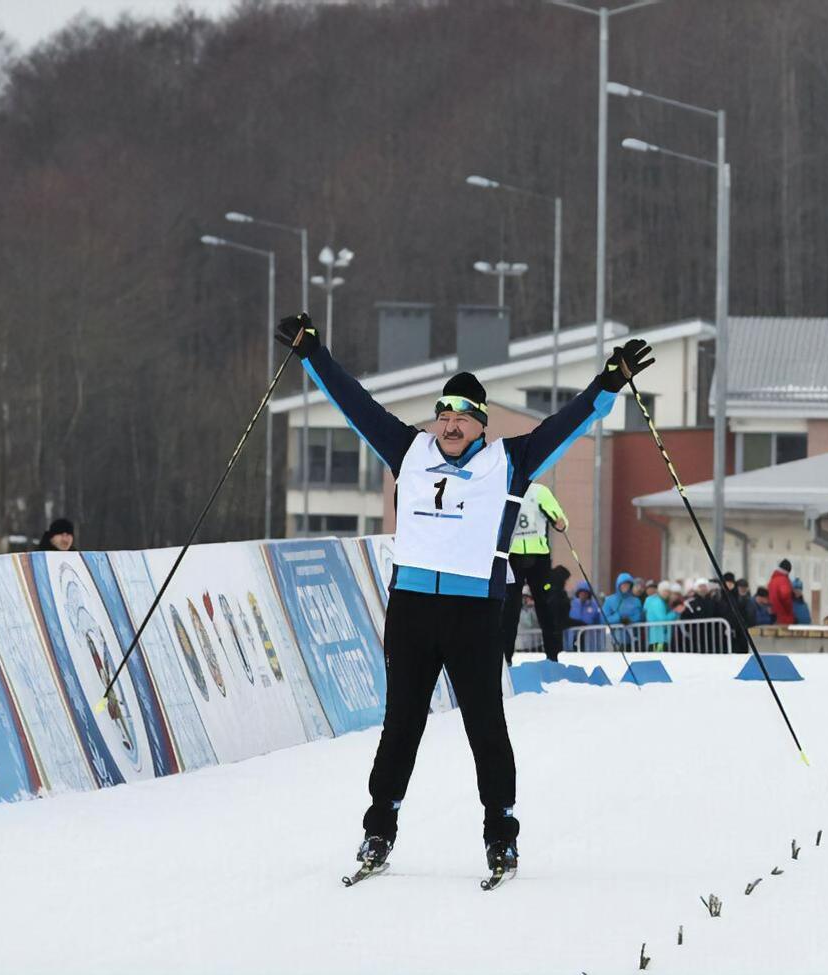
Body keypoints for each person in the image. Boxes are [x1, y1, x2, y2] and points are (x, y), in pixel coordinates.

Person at [276, 310, 654, 879]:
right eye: (444, 415)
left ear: (482, 424)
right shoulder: (409, 450)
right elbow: (354, 404)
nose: (449, 425)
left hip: (475, 611)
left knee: (485, 724)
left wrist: (607, 383)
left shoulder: (511, 462)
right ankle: (378, 830)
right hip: (411, 610)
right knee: (401, 722)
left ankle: (501, 834)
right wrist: (313, 354)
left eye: (462, 417)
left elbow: (567, 423)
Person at [500, 482, 568, 664]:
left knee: (545, 605)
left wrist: (561, 523)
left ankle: (553, 656)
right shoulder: (503, 487)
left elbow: (560, 518)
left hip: (538, 556)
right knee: (510, 609)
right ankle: (505, 658)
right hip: (512, 556)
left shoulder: (539, 491)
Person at [602, 572, 643, 650]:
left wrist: (630, 620)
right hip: (615, 639)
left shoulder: (635, 601)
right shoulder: (609, 600)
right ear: (618, 585)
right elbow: (604, 618)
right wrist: (619, 618)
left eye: (627, 584)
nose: (625, 587)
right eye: (623, 584)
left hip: (632, 639)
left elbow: (639, 617)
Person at [567, 580, 604, 650]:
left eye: (585, 593)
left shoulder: (594, 606)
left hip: (589, 638)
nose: (583, 595)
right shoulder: (572, 604)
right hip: (573, 636)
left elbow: (599, 622)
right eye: (581, 593)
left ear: (589, 594)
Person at [644, 580, 677, 652]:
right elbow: (662, 619)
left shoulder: (663, 601)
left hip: (662, 637)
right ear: (660, 591)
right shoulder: (657, 602)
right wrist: (675, 612)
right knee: (658, 658)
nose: (667, 594)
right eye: (665, 591)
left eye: (668, 592)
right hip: (657, 638)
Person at [768, 559, 795, 626]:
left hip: (774, 616)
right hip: (784, 617)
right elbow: (785, 597)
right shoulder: (784, 581)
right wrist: (789, 611)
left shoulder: (772, 581)